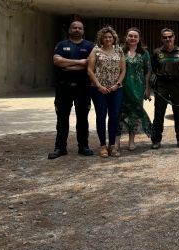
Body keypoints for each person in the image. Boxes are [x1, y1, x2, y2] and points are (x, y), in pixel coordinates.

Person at [48, 20, 95, 159]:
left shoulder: (90, 46)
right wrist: (80, 62)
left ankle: (83, 146)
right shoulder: (61, 45)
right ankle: (60, 148)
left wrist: (67, 65)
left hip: (83, 88)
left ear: (83, 30)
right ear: (69, 30)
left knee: (82, 119)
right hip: (63, 88)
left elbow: (90, 64)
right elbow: (57, 61)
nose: (76, 30)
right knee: (62, 119)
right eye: (74, 27)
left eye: (79, 28)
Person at [87, 26, 125, 158]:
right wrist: (98, 85)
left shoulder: (119, 50)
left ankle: (112, 145)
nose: (108, 39)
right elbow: (90, 70)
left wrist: (117, 84)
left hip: (116, 89)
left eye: (110, 37)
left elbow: (123, 70)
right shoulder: (95, 50)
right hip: (99, 89)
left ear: (114, 38)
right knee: (101, 116)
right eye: (105, 37)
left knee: (114, 116)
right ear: (101, 39)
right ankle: (103, 146)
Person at [150, 28, 179, 149]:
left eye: (170, 37)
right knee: (159, 113)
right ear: (162, 39)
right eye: (165, 37)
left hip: (177, 84)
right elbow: (153, 69)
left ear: (174, 37)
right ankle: (156, 140)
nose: (168, 39)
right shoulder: (157, 52)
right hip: (162, 85)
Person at [117, 27, 152, 151]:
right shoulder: (120, 51)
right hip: (121, 87)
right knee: (119, 113)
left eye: (135, 36)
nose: (132, 38)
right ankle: (117, 141)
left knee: (134, 114)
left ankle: (131, 141)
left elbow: (147, 72)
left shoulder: (144, 53)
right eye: (130, 36)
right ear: (126, 37)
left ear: (139, 39)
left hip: (138, 87)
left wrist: (147, 89)